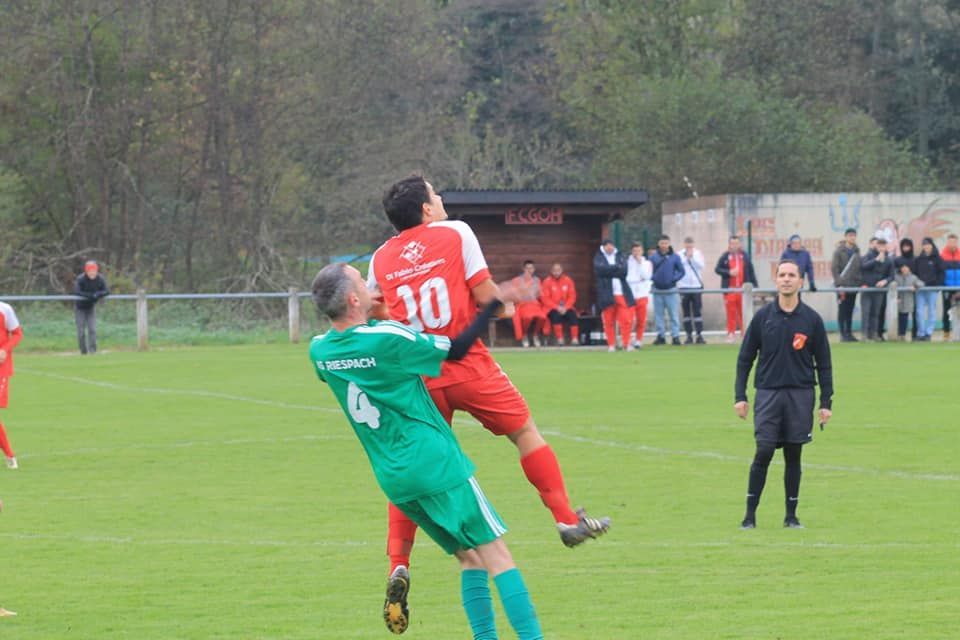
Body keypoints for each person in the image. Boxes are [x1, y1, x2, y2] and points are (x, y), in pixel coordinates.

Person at [367, 176, 610, 626]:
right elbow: (487, 300)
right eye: (435, 194)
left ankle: (398, 562)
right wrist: (505, 301)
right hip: (468, 363)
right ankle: (564, 517)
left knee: (412, 468)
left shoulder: (381, 257)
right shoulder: (456, 232)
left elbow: (375, 310)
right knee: (525, 433)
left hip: (419, 376)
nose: (441, 199)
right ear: (426, 209)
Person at [310, 263, 544, 638]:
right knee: (497, 556)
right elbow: (458, 349)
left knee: (470, 558)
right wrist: (493, 303)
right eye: (362, 282)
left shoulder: (319, 351)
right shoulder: (386, 337)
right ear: (354, 299)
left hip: (394, 478)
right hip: (435, 464)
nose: (370, 285)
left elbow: (359, 352)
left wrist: (375, 316)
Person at [734, 259, 833, 529]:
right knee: (764, 450)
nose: (786, 279)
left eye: (791, 275)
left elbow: (824, 364)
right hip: (768, 394)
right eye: (782, 275)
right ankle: (749, 516)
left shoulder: (811, 319)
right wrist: (740, 396)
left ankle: (791, 516)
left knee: (793, 453)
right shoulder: (763, 317)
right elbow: (745, 359)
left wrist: (826, 402)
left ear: (801, 281)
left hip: (801, 395)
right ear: (776, 280)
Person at [593, 240, 636, 352]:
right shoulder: (598, 257)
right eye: (608, 246)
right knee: (608, 321)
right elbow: (600, 271)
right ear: (603, 247)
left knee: (626, 320)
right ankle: (611, 345)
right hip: (606, 294)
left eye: (612, 246)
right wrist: (616, 268)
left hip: (621, 293)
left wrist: (609, 270)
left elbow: (624, 271)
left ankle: (626, 344)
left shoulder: (620, 255)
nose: (610, 248)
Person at [715, 236, 758, 344]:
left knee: (743, 313)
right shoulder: (725, 256)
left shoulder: (745, 256)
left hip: (743, 291)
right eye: (732, 243)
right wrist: (729, 272)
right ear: (729, 244)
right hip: (730, 290)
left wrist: (755, 286)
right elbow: (717, 269)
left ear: (739, 244)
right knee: (731, 313)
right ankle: (731, 334)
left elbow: (751, 271)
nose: (734, 246)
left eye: (736, 243)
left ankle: (745, 334)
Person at [649, 234, 684, 345]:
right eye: (662, 243)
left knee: (673, 315)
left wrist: (673, 279)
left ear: (669, 244)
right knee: (659, 315)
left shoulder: (675, 257)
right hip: (657, 290)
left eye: (666, 243)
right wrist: (654, 278)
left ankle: (675, 336)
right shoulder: (653, 257)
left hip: (671, 290)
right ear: (658, 244)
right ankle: (661, 336)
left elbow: (681, 271)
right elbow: (648, 271)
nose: (664, 245)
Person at [0, 301, 23, 470]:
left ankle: (9, 455)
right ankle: (9, 455)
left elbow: (17, 334)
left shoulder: (4, 309)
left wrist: (5, 350)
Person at [859, 237, 894, 341]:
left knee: (875, 313)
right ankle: (864, 335)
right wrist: (876, 260)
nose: (882, 248)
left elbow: (891, 276)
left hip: (879, 290)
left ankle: (873, 334)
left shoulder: (889, 260)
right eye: (880, 246)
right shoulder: (869, 255)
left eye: (884, 246)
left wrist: (885, 281)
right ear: (877, 246)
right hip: (867, 289)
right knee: (866, 312)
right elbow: (863, 267)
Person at [831, 228, 862, 342]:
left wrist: (858, 282)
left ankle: (849, 333)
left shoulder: (856, 251)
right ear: (845, 237)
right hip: (842, 286)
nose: (852, 237)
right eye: (850, 235)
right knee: (842, 310)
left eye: (854, 235)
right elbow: (835, 269)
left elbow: (859, 268)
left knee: (850, 309)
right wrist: (839, 284)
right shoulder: (839, 251)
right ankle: (843, 334)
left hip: (853, 285)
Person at [73, 260, 109, 354]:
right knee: (81, 331)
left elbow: (106, 291)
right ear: (86, 271)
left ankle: (93, 351)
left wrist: (98, 294)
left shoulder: (100, 278)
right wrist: (90, 295)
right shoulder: (80, 279)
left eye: (94, 271)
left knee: (92, 330)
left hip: (90, 307)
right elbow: (77, 292)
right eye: (90, 271)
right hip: (80, 308)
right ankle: (83, 351)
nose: (92, 273)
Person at [540, 263, 579, 346]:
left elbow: (572, 296)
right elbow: (545, 299)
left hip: (566, 307)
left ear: (562, 270)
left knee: (573, 315)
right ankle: (560, 339)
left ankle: (575, 338)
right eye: (554, 270)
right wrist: (557, 307)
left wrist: (566, 307)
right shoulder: (546, 282)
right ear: (551, 271)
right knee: (555, 316)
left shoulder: (568, 280)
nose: (556, 272)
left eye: (558, 270)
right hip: (551, 308)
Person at [914, 237, 944, 341]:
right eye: (924, 244)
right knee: (919, 311)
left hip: (932, 289)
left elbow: (941, 274)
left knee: (931, 311)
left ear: (932, 245)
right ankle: (921, 333)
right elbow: (915, 273)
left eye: (927, 244)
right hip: (921, 289)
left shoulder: (938, 258)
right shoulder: (919, 259)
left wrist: (937, 286)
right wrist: (917, 283)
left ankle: (928, 333)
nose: (926, 246)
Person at [511, 260, 547, 348]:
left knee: (543, 317)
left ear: (534, 269)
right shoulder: (516, 280)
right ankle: (524, 335)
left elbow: (541, 294)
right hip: (523, 305)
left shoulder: (537, 280)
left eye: (531, 268)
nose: (529, 270)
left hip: (535, 305)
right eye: (527, 268)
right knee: (527, 317)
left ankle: (535, 335)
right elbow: (513, 294)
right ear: (523, 269)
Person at [678, 237, 706, 345]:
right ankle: (688, 335)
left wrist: (692, 258)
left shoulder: (698, 253)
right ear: (684, 244)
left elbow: (701, 266)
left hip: (696, 286)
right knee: (686, 313)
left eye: (690, 245)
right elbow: (678, 266)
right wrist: (686, 258)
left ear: (693, 244)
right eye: (687, 244)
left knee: (697, 311)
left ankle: (699, 335)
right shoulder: (679, 254)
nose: (689, 246)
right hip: (683, 286)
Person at [626, 242, 653, 348]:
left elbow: (646, 276)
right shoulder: (627, 263)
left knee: (641, 319)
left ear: (642, 251)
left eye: (638, 251)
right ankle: (627, 339)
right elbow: (627, 278)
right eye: (634, 251)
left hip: (642, 294)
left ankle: (638, 340)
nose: (636, 253)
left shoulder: (647, 263)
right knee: (629, 319)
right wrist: (636, 280)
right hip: (630, 294)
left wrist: (640, 263)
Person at [894, 238, 918, 340]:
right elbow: (894, 274)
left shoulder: (916, 259)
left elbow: (919, 275)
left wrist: (916, 285)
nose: (906, 248)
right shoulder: (897, 260)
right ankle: (901, 334)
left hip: (914, 289)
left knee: (916, 312)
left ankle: (915, 334)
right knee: (902, 313)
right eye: (904, 246)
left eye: (908, 246)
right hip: (902, 290)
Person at [895, 263, 922, 341]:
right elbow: (892, 285)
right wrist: (896, 297)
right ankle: (897, 334)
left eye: (906, 267)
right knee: (897, 319)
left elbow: (921, 283)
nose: (904, 269)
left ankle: (903, 335)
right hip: (898, 301)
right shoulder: (896, 277)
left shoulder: (913, 277)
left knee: (904, 318)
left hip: (908, 301)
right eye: (903, 267)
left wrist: (915, 286)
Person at [941, 233, 960, 340]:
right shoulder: (942, 256)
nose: (952, 244)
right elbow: (940, 273)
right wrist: (944, 286)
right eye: (950, 242)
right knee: (947, 311)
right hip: (947, 288)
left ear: (957, 242)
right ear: (947, 242)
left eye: (954, 242)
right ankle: (946, 333)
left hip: (959, 288)